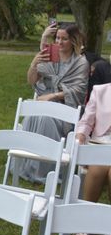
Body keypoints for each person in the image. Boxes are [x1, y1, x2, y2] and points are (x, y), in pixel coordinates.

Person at [20, 23, 88, 183]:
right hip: (43, 102)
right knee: (32, 117)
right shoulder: (49, 55)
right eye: (57, 37)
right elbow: (31, 80)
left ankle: (43, 171)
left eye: (64, 39)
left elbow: (79, 90)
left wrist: (53, 96)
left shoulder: (80, 62)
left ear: (73, 41)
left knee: (46, 118)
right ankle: (27, 166)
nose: (59, 42)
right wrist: (34, 63)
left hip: (66, 108)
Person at [74, 81, 111, 235]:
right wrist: (81, 135)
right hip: (101, 144)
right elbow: (86, 121)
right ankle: (85, 221)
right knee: (96, 170)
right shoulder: (100, 91)